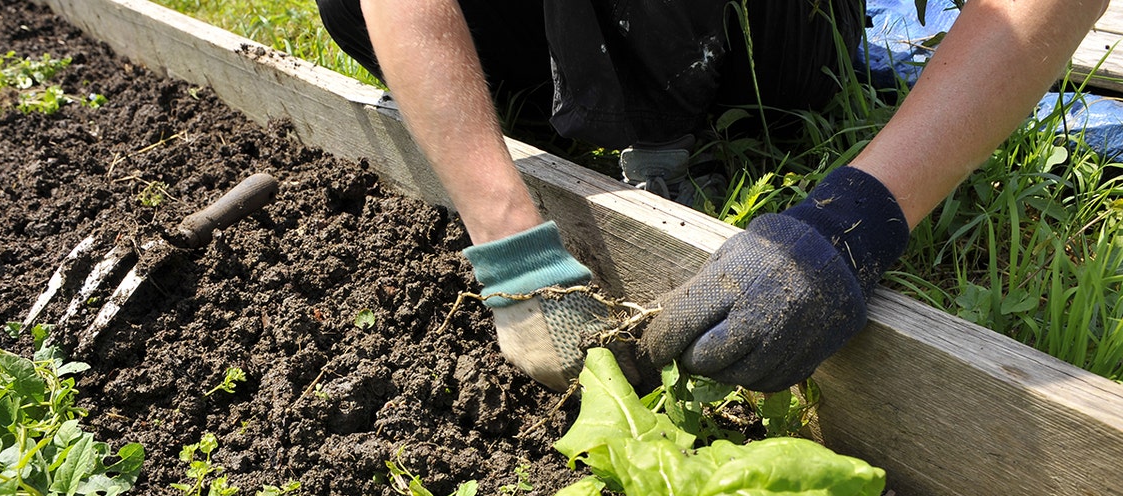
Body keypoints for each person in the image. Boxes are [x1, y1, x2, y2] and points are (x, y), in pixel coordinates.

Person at [315, 0, 1107, 392]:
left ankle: (668, 128)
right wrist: (507, 233)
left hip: (757, 33)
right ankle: (580, 90)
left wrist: (861, 214)